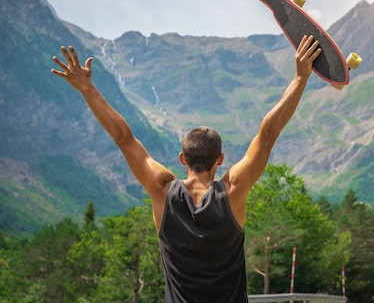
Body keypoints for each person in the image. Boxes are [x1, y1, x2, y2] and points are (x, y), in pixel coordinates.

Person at [51, 35, 322, 303]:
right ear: (220, 159)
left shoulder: (162, 189)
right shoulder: (233, 191)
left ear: (183, 159)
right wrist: (300, 78)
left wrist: (87, 88)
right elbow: (269, 133)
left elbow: (123, 137)